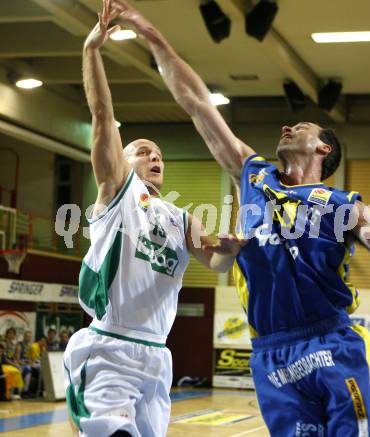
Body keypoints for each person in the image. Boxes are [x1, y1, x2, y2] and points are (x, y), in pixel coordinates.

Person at [113, 2, 370, 435]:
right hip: (271, 355)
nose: (285, 128)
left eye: (301, 127)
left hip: (332, 342)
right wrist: (150, 32)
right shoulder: (253, 175)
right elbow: (197, 103)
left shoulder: (341, 204)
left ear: (324, 149)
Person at [63, 2, 246, 436]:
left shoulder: (181, 218)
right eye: (143, 150)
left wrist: (235, 229)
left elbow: (218, 263)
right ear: (123, 162)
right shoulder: (117, 191)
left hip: (157, 357)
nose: (154, 156)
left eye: (159, 153)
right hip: (109, 347)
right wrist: (92, 51)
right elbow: (102, 115)